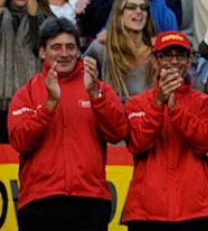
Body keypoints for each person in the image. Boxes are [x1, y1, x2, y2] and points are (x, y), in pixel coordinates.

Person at [9, 17, 128, 230]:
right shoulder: (25, 93)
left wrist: (96, 96)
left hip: (90, 201)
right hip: (39, 203)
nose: (64, 53)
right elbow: (20, 142)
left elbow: (118, 132)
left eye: (71, 47)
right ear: (42, 51)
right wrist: (49, 106)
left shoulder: (97, 87)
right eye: (56, 47)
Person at [123, 31, 208, 229]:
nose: (174, 61)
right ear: (155, 61)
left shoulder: (204, 101)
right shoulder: (135, 104)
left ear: (189, 61)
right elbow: (137, 144)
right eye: (167, 55)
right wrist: (158, 104)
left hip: (196, 209)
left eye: (181, 55)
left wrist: (176, 111)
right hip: (147, 211)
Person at [83, 0, 156, 101]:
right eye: (131, 7)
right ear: (119, 13)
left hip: (148, 116)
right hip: (113, 115)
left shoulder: (156, 51)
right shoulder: (101, 48)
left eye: (143, 7)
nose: (139, 11)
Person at [0, 0, 44, 141]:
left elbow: (39, 44)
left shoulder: (44, 19)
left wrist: (33, 12)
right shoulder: (2, 15)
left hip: (31, 107)